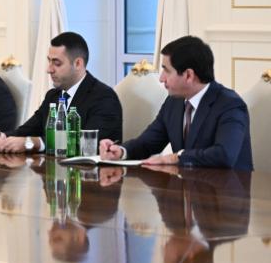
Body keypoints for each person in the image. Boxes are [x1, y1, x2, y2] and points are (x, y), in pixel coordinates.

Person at [100, 36, 253, 170]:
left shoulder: (230, 105)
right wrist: (121, 151)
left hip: (227, 190)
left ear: (188, 75)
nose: (161, 78)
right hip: (185, 188)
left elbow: (224, 155)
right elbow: (148, 143)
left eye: (166, 71)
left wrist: (175, 158)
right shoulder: (174, 102)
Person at [0, 32, 122, 153]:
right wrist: (3, 137)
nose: (49, 69)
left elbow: (87, 144)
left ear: (78, 64)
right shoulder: (53, 96)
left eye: (57, 63)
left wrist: (35, 143)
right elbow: (27, 131)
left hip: (88, 172)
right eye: (49, 61)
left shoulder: (104, 97)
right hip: (51, 169)